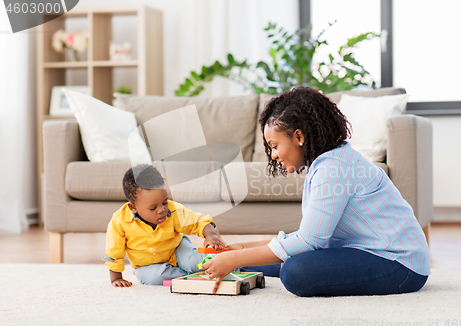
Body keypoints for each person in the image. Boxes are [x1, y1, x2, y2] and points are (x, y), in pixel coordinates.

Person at [203, 87, 430, 297]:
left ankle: (237, 260)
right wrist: (239, 250)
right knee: (254, 260)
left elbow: (309, 241)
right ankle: (233, 260)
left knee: (294, 272)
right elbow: (311, 236)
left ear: (299, 137)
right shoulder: (326, 162)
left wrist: (235, 257)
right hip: (365, 251)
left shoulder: (333, 169)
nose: (272, 155)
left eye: (274, 146)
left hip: (399, 264)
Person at [103, 164, 226, 287]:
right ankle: (196, 274)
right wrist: (116, 278)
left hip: (176, 248)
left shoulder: (173, 211)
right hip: (146, 265)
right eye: (153, 207)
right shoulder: (119, 222)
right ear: (133, 207)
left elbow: (197, 221)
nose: (161, 209)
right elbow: (114, 252)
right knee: (154, 278)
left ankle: (227, 263)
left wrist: (210, 234)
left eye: (164, 202)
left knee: (194, 262)